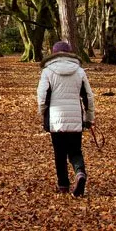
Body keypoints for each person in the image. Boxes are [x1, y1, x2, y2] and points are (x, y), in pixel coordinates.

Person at [37, 41, 95, 198]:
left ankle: (63, 185)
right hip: (75, 117)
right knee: (75, 151)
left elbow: (42, 97)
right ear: (69, 54)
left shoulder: (47, 71)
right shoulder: (80, 71)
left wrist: (42, 112)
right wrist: (89, 117)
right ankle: (80, 173)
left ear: (54, 54)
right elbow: (88, 96)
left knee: (59, 152)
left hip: (56, 118)